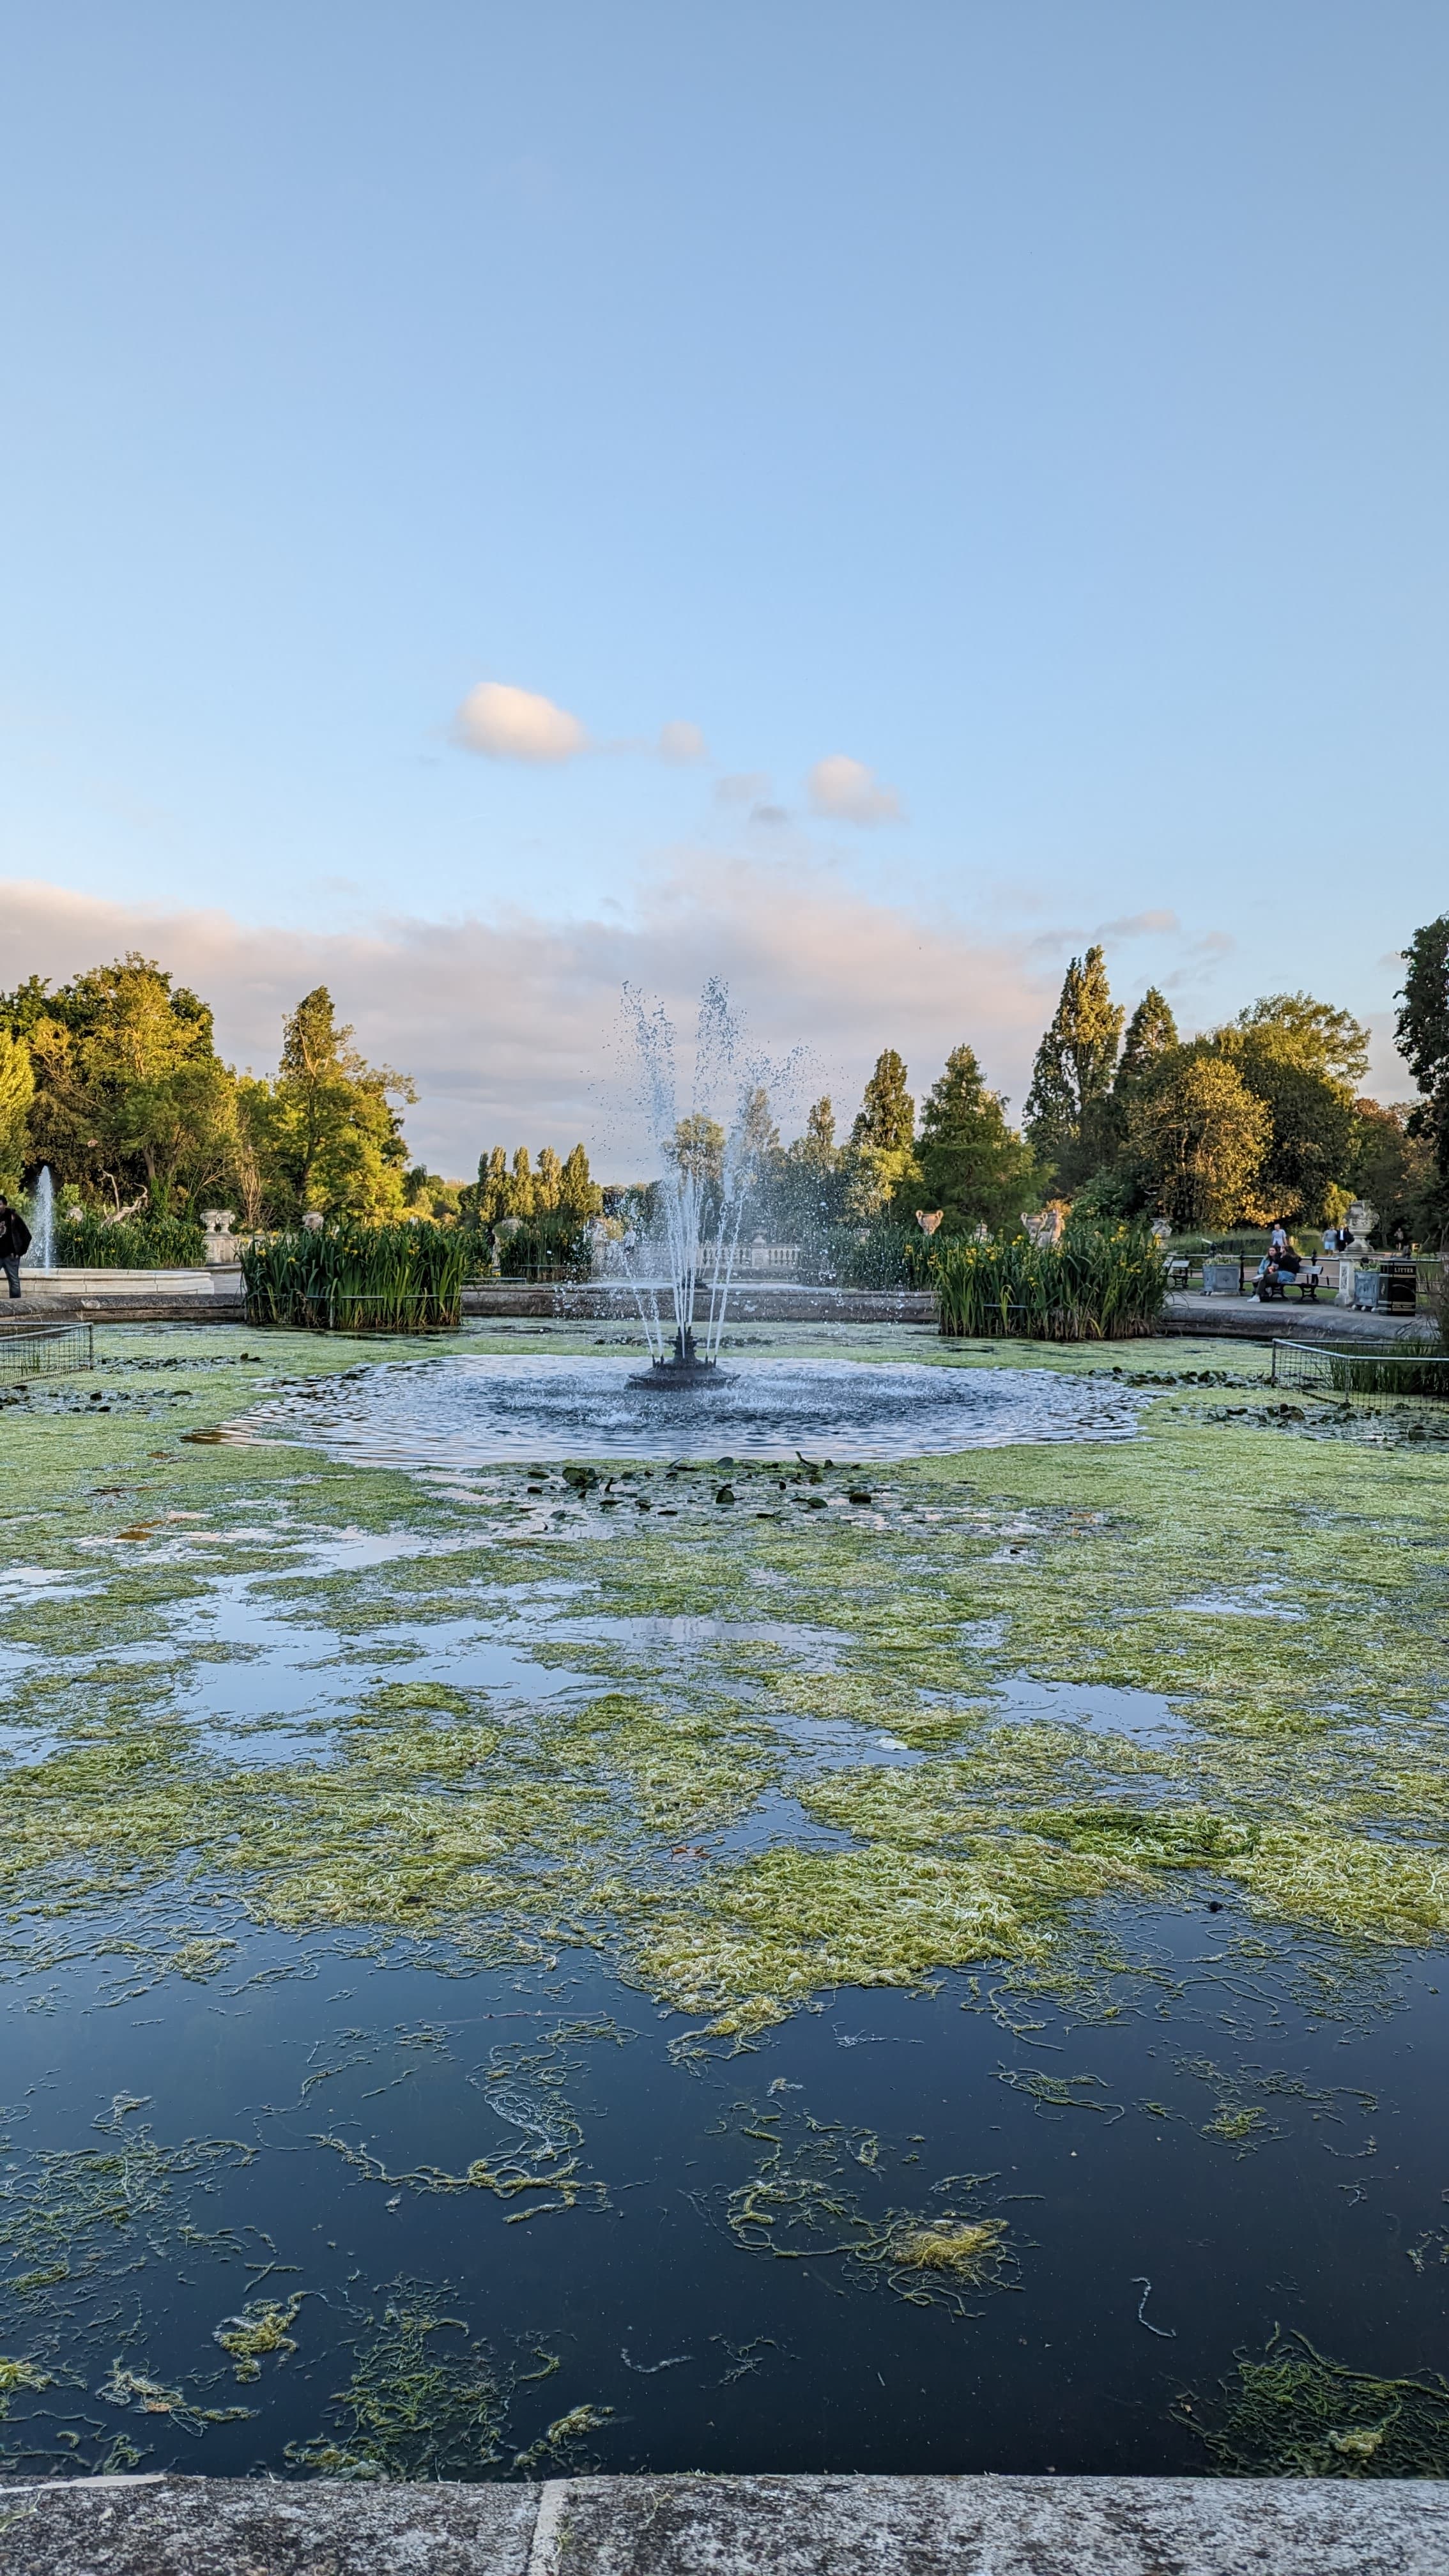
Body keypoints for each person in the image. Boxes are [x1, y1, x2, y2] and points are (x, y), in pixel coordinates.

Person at [0, 1196, 31, 1299]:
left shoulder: (13, 1218)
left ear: (5, 1205)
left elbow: (27, 1236)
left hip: (11, 1256)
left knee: (14, 1281)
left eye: (0, 1204)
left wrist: (20, 1252)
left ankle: (16, 1305)